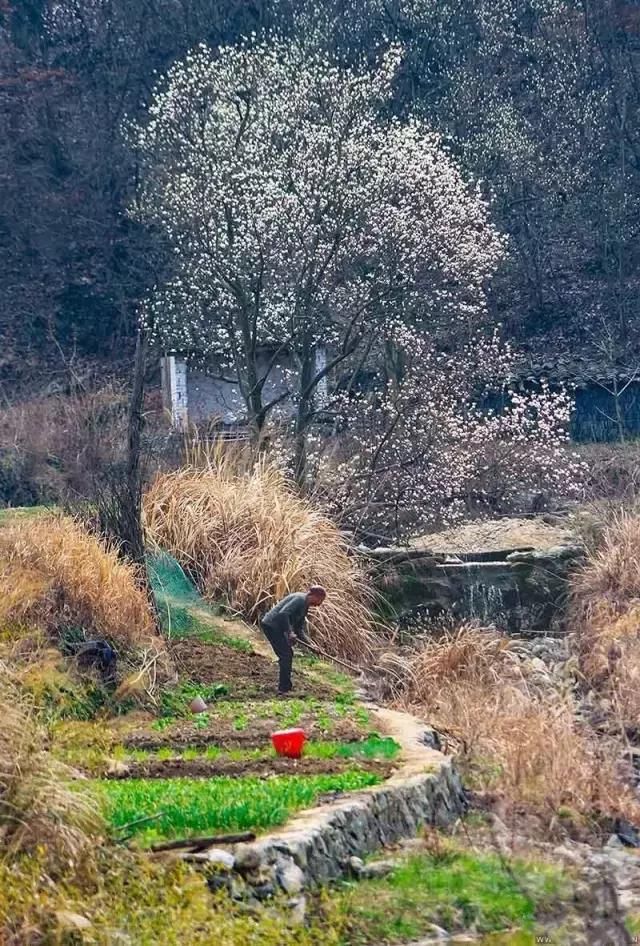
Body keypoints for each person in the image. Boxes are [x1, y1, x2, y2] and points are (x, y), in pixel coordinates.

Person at [260, 586, 326, 695]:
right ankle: (283, 689)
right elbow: (283, 614)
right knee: (286, 654)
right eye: (320, 600)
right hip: (271, 625)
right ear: (315, 596)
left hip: (276, 627)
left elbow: (299, 629)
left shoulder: (304, 606)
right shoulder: (299, 599)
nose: (320, 604)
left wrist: (311, 646)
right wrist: (289, 632)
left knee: (287, 654)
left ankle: (286, 686)